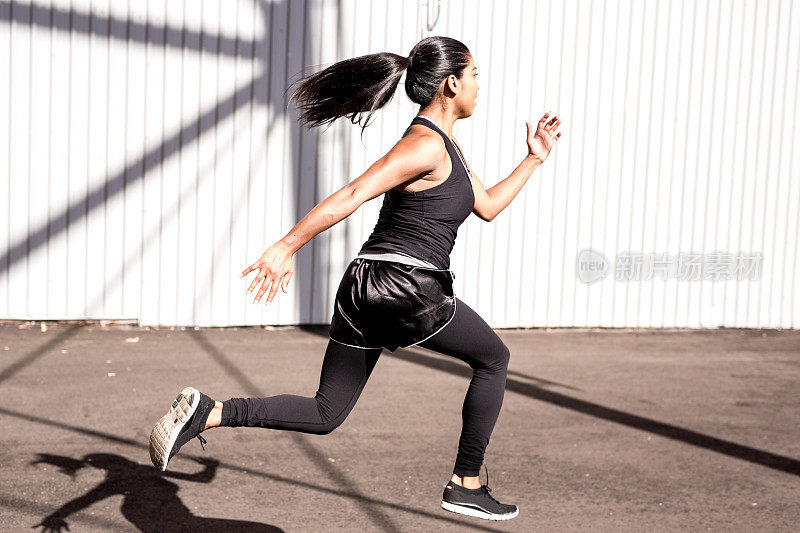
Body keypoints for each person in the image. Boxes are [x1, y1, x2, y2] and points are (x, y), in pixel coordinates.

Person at [149, 35, 562, 521]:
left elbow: (487, 206)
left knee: (326, 413)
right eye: (475, 76)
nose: (479, 87)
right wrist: (286, 247)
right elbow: (353, 193)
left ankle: (210, 412)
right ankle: (465, 482)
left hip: (366, 288)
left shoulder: (448, 147)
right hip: (405, 285)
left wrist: (534, 157)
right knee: (494, 358)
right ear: (452, 84)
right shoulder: (424, 144)